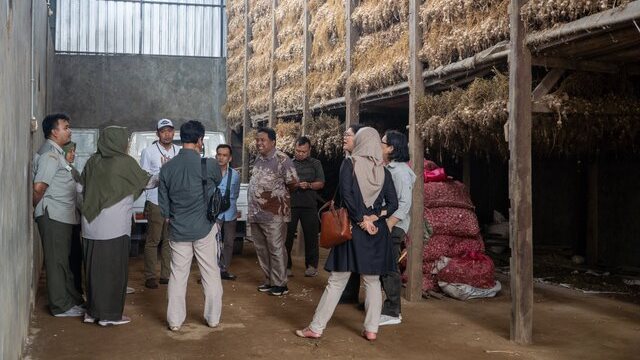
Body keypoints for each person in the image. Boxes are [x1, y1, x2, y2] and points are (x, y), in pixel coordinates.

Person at [296, 127, 398, 342]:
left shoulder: (349, 164)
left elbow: (348, 198)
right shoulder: (384, 172)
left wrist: (361, 220)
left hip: (352, 230)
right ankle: (371, 329)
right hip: (376, 233)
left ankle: (316, 327)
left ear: (361, 142)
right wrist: (374, 218)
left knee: (337, 281)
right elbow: (393, 204)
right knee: (372, 281)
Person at [80, 126, 154, 326]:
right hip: (114, 226)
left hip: (89, 224)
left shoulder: (92, 161)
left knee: (93, 271)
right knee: (113, 271)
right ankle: (109, 315)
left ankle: (92, 312)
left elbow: (80, 187)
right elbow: (147, 182)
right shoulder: (125, 162)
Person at [159, 120, 223, 331]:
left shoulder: (167, 168)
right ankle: (213, 319)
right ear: (200, 140)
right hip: (205, 228)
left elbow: (163, 205)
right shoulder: (210, 165)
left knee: (178, 275)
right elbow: (216, 184)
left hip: (178, 230)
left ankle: (175, 321)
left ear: (180, 137)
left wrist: (172, 218)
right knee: (210, 273)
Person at [33, 113, 85, 317]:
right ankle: (60, 306)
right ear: (54, 132)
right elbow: (39, 188)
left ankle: (70, 299)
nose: (69, 130)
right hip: (53, 215)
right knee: (57, 262)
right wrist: (38, 210)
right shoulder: (50, 155)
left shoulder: (57, 153)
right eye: (66, 127)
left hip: (61, 215)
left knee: (63, 261)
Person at [248, 127, 298, 296]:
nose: (259, 143)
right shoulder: (258, 159)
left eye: (263, 140)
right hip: (256, 213)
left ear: (273, 142)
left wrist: (277, 199)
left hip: (274, 214)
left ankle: (280, 284)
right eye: (258, 140)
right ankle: (269, 280)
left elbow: (293, 183)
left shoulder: (282, 159)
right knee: (262, 249)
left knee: (276, 248)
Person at [379, 130, 416, 326]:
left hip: (396, 226)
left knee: (389, 267)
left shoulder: (400, 172)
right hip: (389, 224)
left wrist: (389, 224)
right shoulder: (390, 168)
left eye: (382, 143)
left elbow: (404, 203)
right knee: (384, 265)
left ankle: (393, 311)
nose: (380, 145)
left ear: (392, 148)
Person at [140, 119, 179, 289]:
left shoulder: (179, 151)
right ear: (157, 133)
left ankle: (165, 275)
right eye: (163, 131)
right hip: (155, 200)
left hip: (173, 202)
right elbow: (144, 178)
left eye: (169, 131)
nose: (167, 134)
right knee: (153, 240)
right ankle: (150, 276)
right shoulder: (148, 151)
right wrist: (162, 174)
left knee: (169, 240)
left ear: (173, 132)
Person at [285, 136, 325, 277]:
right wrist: (293, 185)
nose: (300, 154)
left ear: (309, 151)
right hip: (291, 205)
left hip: (309, 205)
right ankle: (286, 266)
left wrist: (308, 185)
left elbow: (321, 183)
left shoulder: (316, 163)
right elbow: (283, 182)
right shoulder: (288, 163)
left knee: (311, 237)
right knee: (287, 237)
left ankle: (311, 266)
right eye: (298, 151)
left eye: (303, 151)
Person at [215, 144, 241, 280]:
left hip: (230, 212)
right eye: (219, 154)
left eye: (224, 155)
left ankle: (224, 270)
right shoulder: (211, 173)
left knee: (229, 242)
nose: (221, 157)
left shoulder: (235, 175)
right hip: (214, 213)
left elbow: (235, 194)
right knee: (213, 243)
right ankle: (211, 272)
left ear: (230, 158)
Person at [62, 141, 83, 295]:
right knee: (71, 257)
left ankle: (76, 289)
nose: (73, 154)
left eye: (74, 151)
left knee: (76, 256)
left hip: (74, 219)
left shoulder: (73, 170)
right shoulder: (63, 170)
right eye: (69, 151)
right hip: (66, 219)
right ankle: (72, 291)